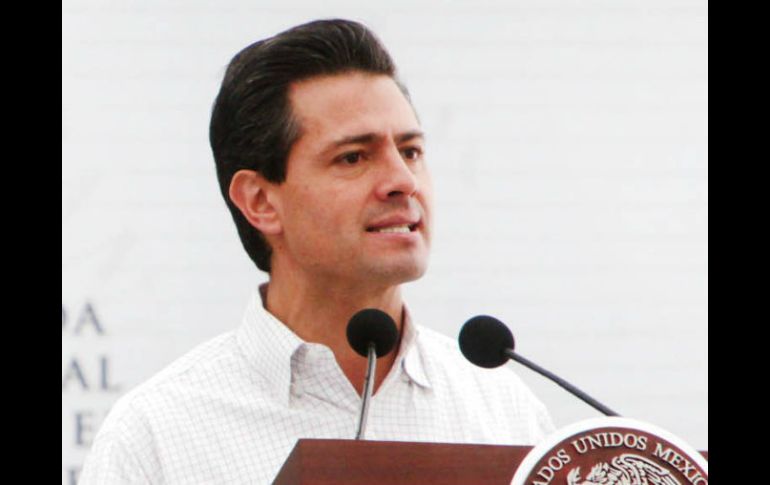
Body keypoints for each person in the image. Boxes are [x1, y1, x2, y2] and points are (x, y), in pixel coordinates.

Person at [79, 19, 554, 484]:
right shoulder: (158, 434)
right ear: (261, 202)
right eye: (353, 157)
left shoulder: (504, 410)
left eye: (410, 151)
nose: (402, 181)